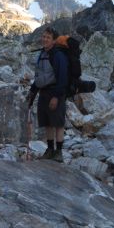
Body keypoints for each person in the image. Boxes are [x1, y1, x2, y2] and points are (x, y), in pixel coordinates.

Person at [26, 27, 68, 162]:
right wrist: (32, 92)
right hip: (43, 92)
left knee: (58, 123)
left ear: (54, 40)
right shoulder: (42, 54)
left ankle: (59, 152)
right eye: (43, 36)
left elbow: (63, 78)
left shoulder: (58, 56)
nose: (44, 39)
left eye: (48, 37)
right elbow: (39, 76)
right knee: (48, 122)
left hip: (56, 93)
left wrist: (56, 96)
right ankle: (50, 149)